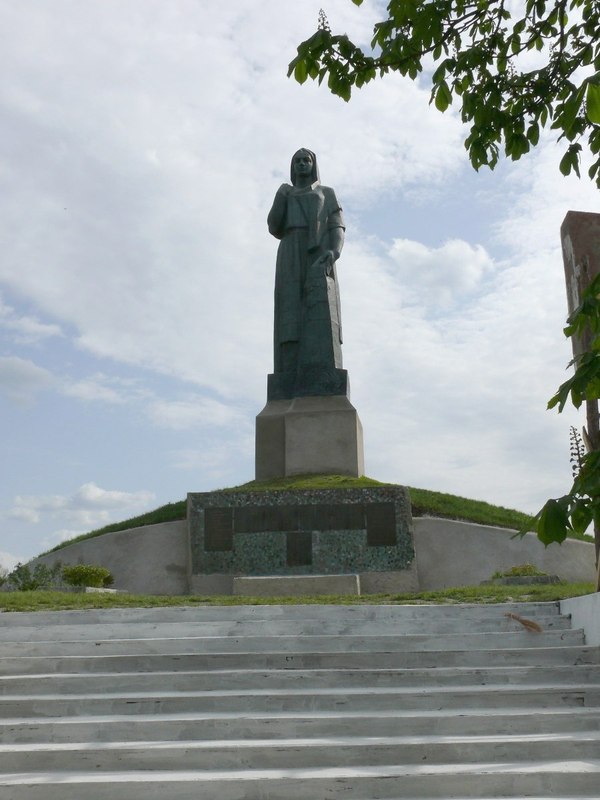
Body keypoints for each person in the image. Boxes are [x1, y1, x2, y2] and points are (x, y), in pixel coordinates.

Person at [267, 149, 346, 396]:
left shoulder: (326, 193)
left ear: (313, 165)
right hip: (290, 249)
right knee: (289, 312)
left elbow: (337, 226)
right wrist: (280, 196)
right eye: (297, 161)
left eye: (306, 160)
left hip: (318, 253)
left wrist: (333, 252)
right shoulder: (285, 193)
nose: (302, 164)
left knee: (319, 310)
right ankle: (288, 371)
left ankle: (321, 370)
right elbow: (273, 226)